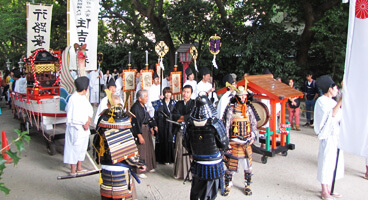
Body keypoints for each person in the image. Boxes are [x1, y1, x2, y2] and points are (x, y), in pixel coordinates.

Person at [94, 93, 146, 200]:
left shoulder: (102, 119)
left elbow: (96, 143)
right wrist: (139, 163)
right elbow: (128, 149)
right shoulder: (126, 121)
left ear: (108, 105)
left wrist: (99, 160)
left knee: (107, 195)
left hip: (105, 166)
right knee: (122, 196)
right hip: (122, 167)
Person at [184, 94, 229, 200]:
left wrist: (192, 153)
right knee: (209, 193)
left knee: (196, 190)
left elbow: (185, 142)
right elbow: (223, 143)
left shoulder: (190, 124)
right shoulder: (215, 123)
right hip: (213, 162)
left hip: (197, 161)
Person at [223, 86, 257, 196]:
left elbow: (254, 125)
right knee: (230, 166)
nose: (243, 97)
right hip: (233, 142)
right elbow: (226, 126)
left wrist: (252, 136)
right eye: (241, 95)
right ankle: (228, 185)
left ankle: (248, 185)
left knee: (248, 166)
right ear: (236, 97)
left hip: (246, 142)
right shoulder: (231, 109)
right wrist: (226, 142)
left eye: (244, 95)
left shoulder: (248, 109)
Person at [314, 75, 343, 200]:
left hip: (336, 135)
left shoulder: (332, 101)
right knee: (326, 161)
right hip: (327, 136)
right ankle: (324, 190)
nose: (337, 89)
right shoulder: (321, 101)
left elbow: (339, 117)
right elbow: (330, 115)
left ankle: (330, 188)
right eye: (335, 87)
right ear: (329, 89)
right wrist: (341, 100)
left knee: (335, 162)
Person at [63, 76, 93, 176]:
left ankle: (79, 167)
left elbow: (90, 110)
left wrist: (88, 121)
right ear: (84, 89)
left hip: (84, 127)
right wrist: (83, 123)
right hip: (75, 127)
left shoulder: (83, 98)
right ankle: (73, 169)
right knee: (73, 147)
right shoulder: (73, 99)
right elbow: (72, 114)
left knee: (82, 148)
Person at [130, 89, 158, 178]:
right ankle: (139, 169)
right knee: (141, 149)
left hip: (146, 129)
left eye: (147, 96)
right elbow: (136, 123)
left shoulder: (143, 106)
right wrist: (139, 135)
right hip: (140, 130)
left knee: (148, 148)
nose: (147, 98)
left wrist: (153, 126)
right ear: (139, 98)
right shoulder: (135, 108)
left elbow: (148, 117)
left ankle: (148, 166)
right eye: (145, 96)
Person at [171, 85, 195, 179]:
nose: (185, 94)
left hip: (190, 131)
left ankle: (190, 175)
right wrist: (184, 118)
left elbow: (191, 116)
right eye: (184, 91)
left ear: (191, 93)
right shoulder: (178, 104)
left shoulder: (194, 104)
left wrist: (182, 118)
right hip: (180, 130)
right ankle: (179, 173)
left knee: (189, 152)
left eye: (188, 92)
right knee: (179, 150)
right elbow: (174, 116)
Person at [154, 87, 176, 164]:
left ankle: (169, 159)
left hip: (170, 124)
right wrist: (155, 125)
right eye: (166, 93)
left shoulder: (174, 103)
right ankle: (160, 159)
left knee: (169, 139)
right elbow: (155, 115)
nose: (167, 94)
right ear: (164, 94)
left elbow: (176, 115)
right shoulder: (159, 103)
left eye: (169, 92)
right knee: (161, 139)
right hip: (161, 123)